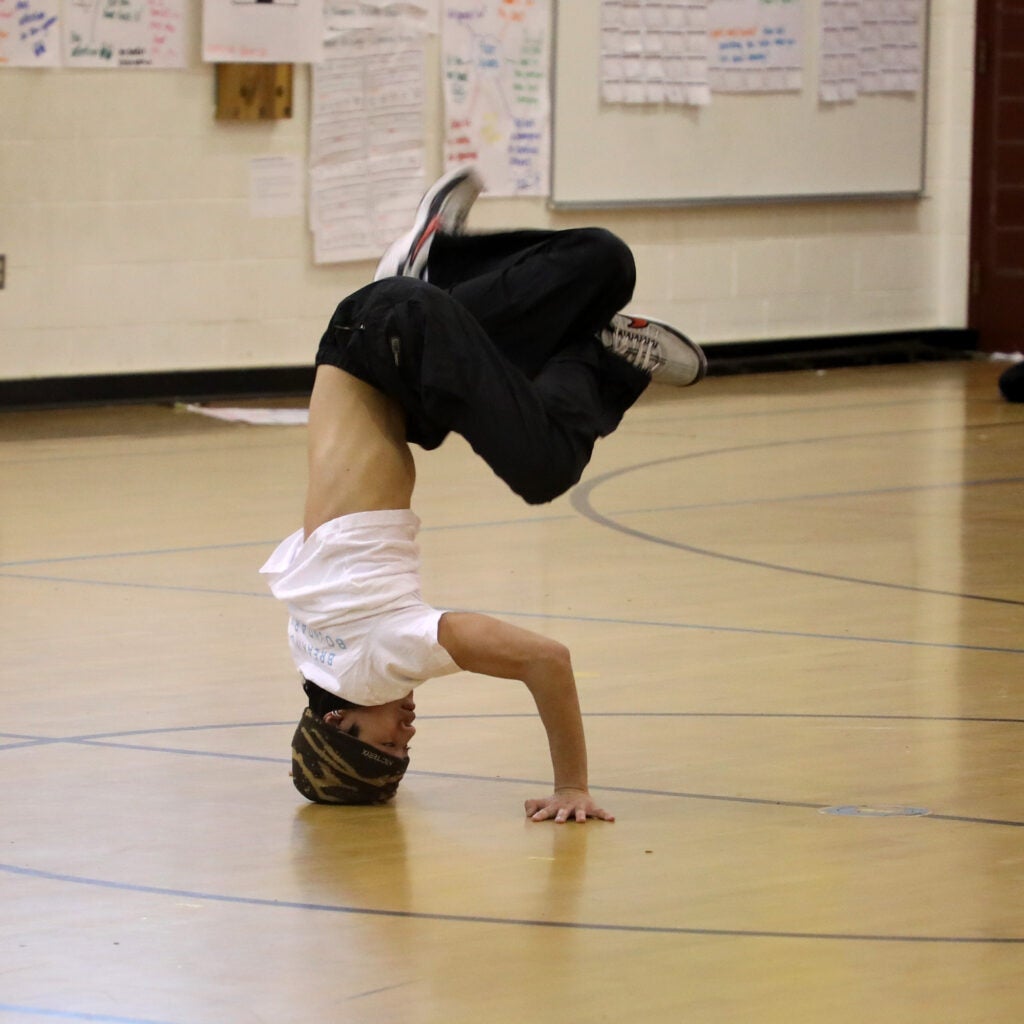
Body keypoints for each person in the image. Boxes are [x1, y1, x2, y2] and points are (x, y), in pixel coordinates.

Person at [261, 166, 706, 822]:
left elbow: (546, 661)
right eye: (404, 750)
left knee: (546, 469)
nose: (408, 731)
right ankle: (445, 260)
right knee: (603, 264)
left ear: (338, 717)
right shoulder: (309, 638)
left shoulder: (377, 662)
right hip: (374, 346)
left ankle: (603, 358)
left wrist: (572, 785)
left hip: (400, 342)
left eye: (389, 740)